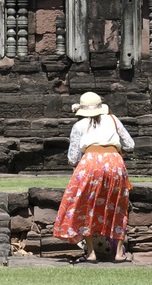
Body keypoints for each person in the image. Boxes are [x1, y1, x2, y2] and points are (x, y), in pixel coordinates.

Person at [52, 91, 135, 262]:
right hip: (115, 163)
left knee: (86, 206)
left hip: (90, 163)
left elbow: (72, 158)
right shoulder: (113, 119)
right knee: (119, 205)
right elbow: (130, 144)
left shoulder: (79, 126)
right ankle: (119, 253)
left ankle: (91, 253)